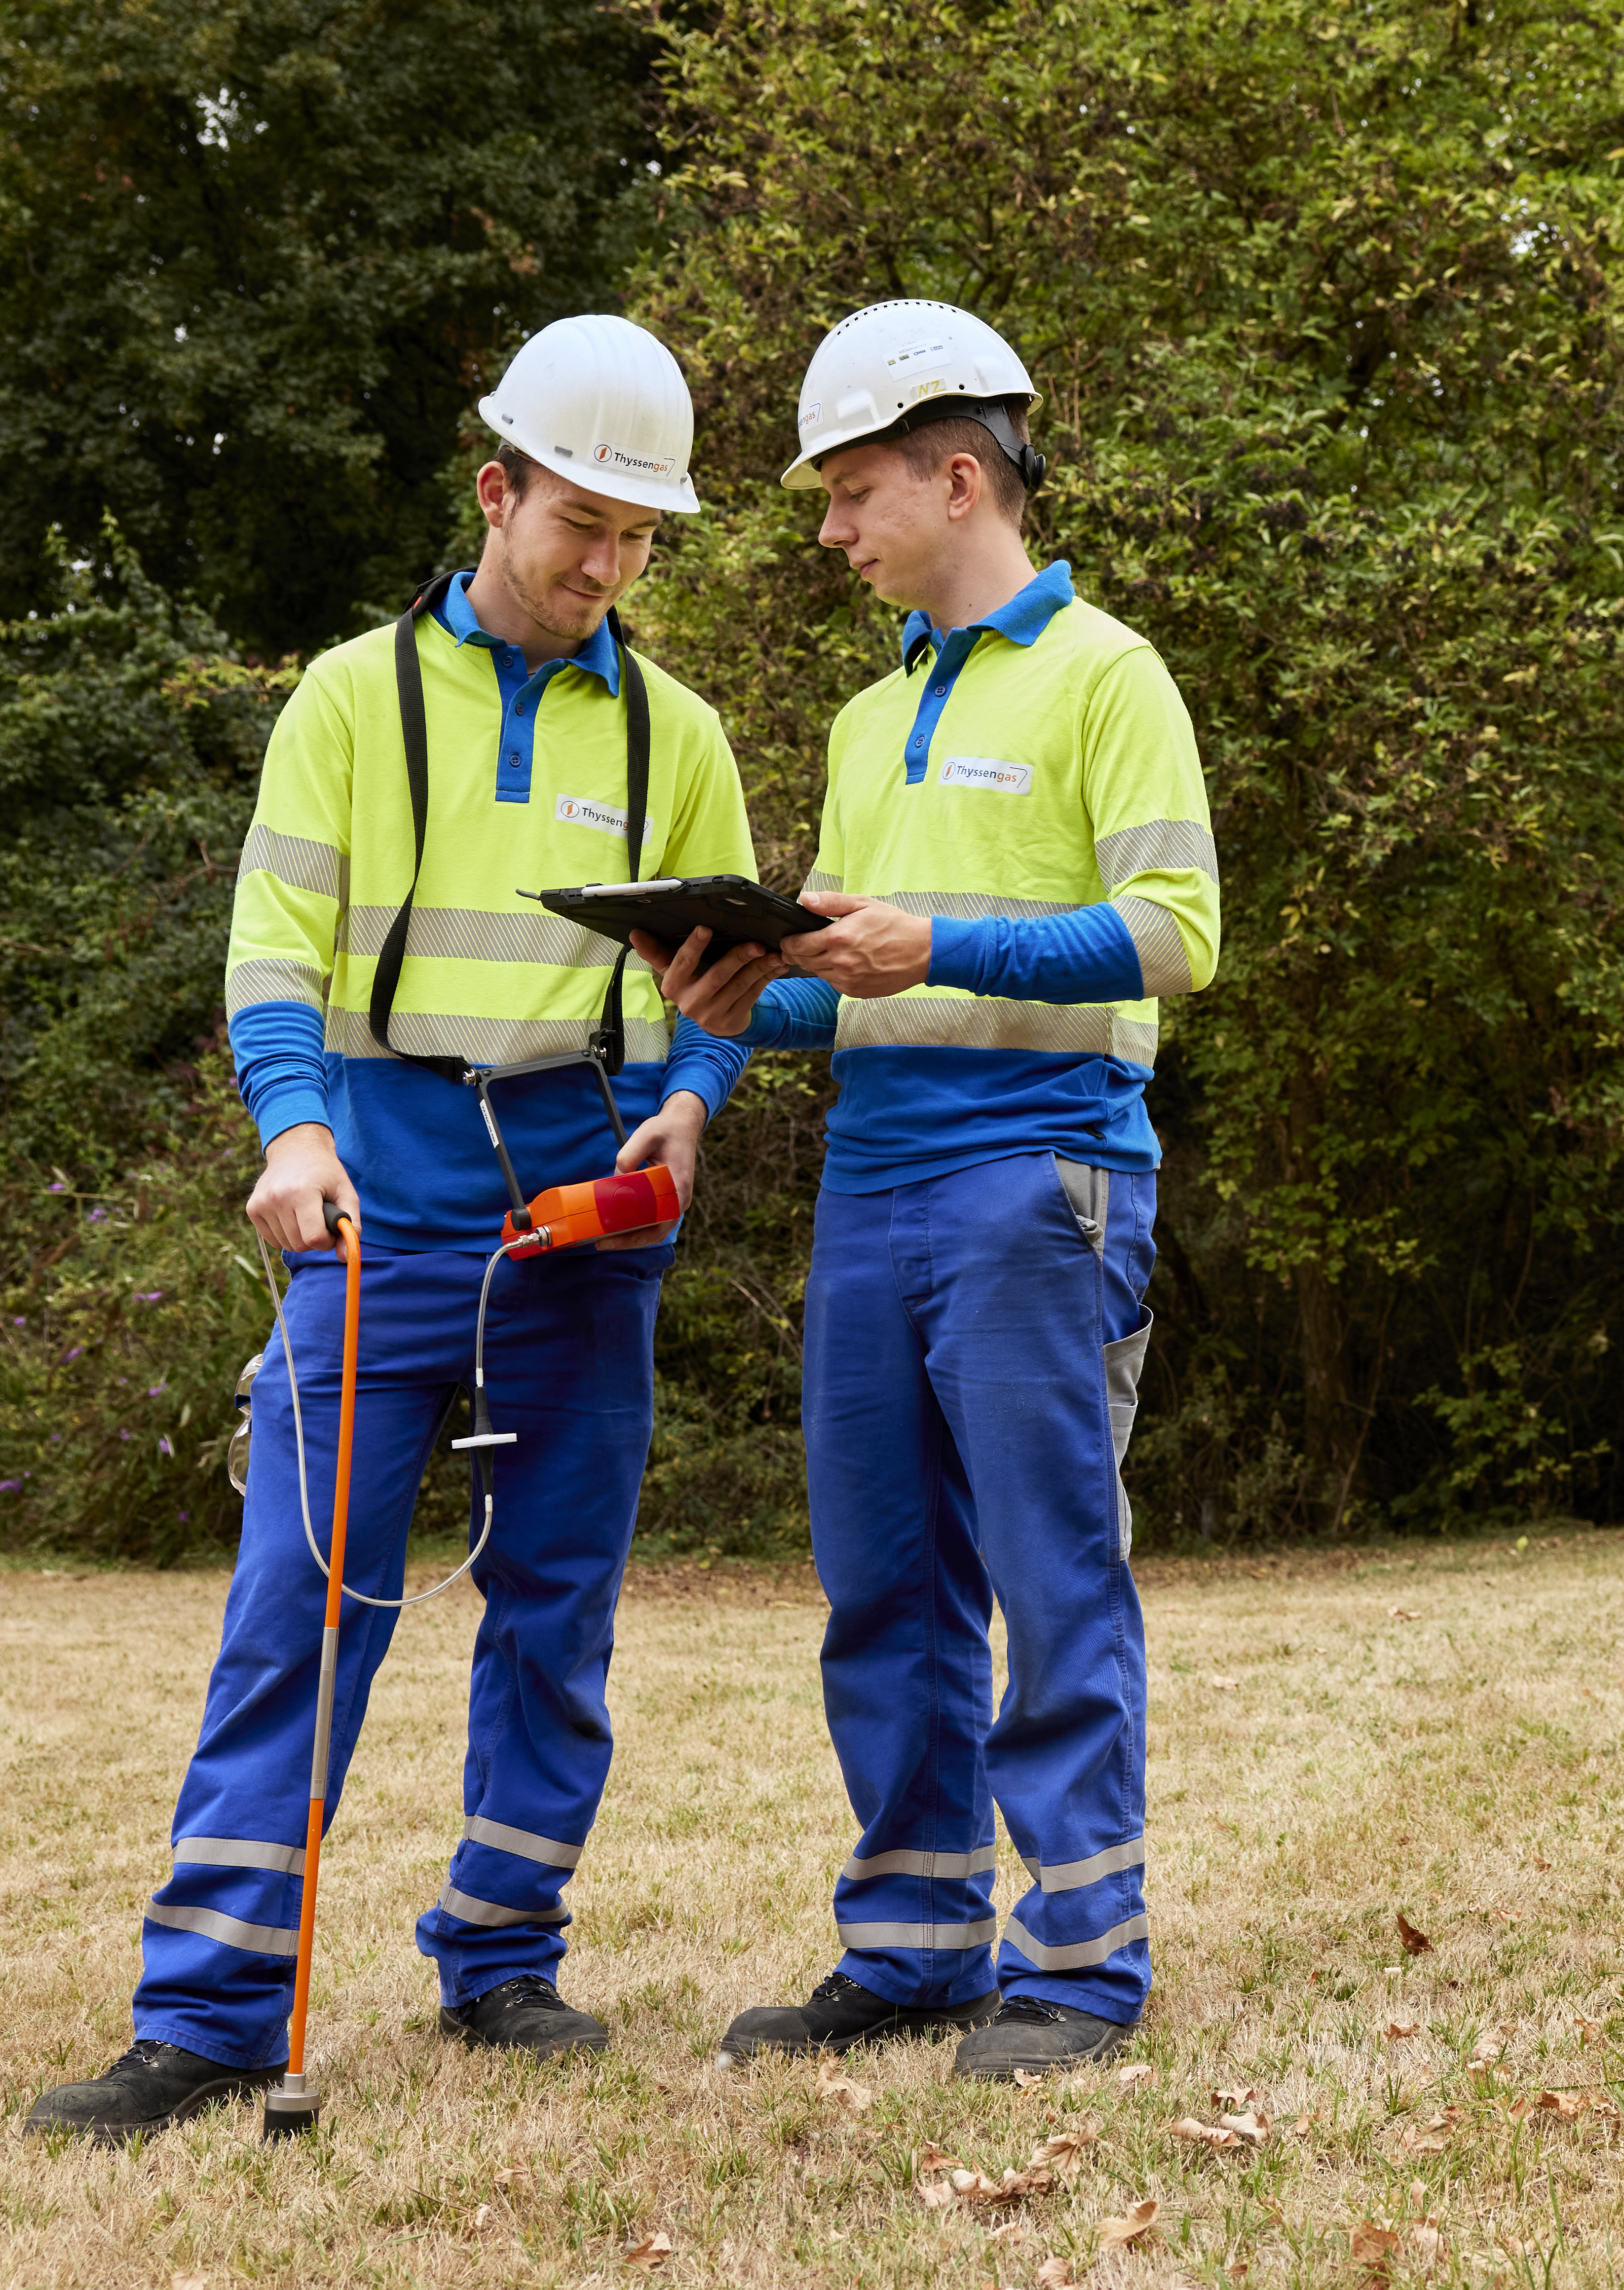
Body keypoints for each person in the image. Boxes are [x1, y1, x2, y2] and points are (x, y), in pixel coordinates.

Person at [25, 314, 784, 2140]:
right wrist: (291, 1130)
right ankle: (211, 2009)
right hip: (374, 1198)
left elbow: (723, 979)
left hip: (582, 1204)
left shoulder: (678, 734)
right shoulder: (348, 702)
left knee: (555, 1606)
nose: (605, 565)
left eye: (638, 535)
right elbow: (273, 949)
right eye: (581, 521)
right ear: (495, 491)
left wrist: (692, 1101)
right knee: (298, 1608)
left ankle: (502, 1952)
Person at [649, 299, 1217, 2081]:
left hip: (1039, 1171)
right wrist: (737, 994)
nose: (830, 530)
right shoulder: (864, 715)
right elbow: (857, 978)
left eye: (851, 493)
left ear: (956, 477)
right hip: (873, 1178)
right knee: (881, 1578)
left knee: (1051, 1570)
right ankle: (911, 1947)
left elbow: (1176, 934)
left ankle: (1083, 1962)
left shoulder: (1109, 675)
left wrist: (937, 940)